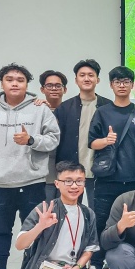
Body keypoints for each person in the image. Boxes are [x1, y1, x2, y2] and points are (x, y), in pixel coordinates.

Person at [0, 63, 60, 269]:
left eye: (20, 80)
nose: (15, 83)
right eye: (10, 79)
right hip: (1, 183)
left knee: (35, 230)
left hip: (32, 181)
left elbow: (54, 139)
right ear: (2, 83)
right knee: (0, 229)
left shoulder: (40, 109)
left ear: (27, 85)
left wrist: (31, 140)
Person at [16, 161, 107, 269]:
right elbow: (20, 244)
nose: (74, 186)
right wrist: (40, 226)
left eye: (79, 181)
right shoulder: (45, 210)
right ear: (57, 184)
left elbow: (89, 249)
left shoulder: (88, 214)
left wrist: (76, 268)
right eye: (68, 181)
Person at [87, 66, 135, 269]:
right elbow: (91, 142)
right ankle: (95, 263)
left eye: (126, 81)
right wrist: (106, 141)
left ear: (132, 85)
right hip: (107, 179)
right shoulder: (102, 112)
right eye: (117, 81)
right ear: (111, 85)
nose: (122, 85)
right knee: (101, 222)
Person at [54, 59, 111, 211]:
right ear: (76, 80)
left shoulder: (108, 106)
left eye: (91, 75)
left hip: (99, 170)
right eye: (82, 75)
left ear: (97, 79)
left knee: (97, 213)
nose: (86, 79)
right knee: (69, 212)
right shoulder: (64, 108)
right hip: (71, 171)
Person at [38, 70, 68, 205]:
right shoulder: (36, 110)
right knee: (46, 212)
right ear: (42, 89)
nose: (54, 89)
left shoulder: (71, 110)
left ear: (65, 89)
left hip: (67, 170)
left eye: (58, 85)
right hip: (44, 172)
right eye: (49, 86)